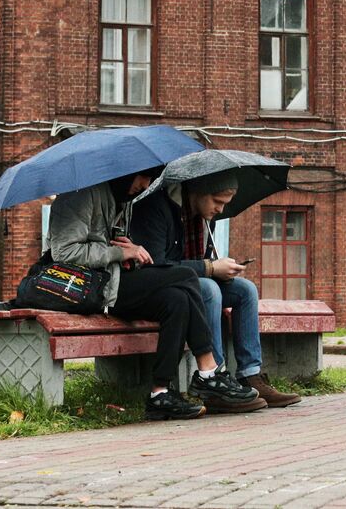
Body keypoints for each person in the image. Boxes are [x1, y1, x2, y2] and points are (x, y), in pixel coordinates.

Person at [47, 167, 264, 420]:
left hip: (114, 281)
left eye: (150, 178)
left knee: (177, 299)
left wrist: (129, 246)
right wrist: (119, 253)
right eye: (143, 177)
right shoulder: (78, 196)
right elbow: (63, 254)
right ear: (126, 173)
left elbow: (114, 244)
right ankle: (208, 371)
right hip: (86, 288)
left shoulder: (122, 198)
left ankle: (160, 393)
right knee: (185, 276)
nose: (145, 184)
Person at [128, 172, 302, 408]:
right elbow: (157, 264)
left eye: (225, 204)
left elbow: (203, 261)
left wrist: (223, 269)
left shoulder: (204, 217)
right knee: (210, 289)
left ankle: (250, 375)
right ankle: (214, 378)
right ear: (198, 192)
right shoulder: (158, 207)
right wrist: (210, 268)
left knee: (245, 290)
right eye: (217, 202)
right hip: (166, 285)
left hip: (192, 280)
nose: (220, 210)